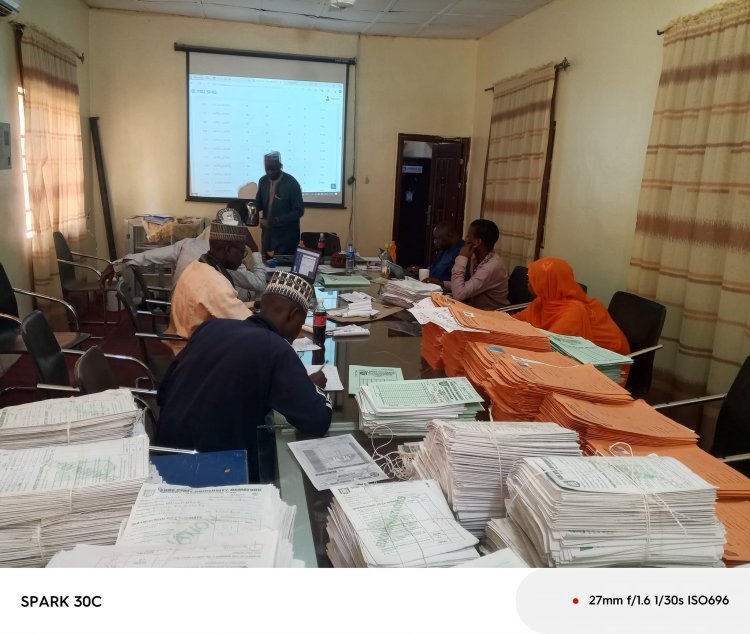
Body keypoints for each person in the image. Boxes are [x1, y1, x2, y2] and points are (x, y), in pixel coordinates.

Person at [156, 271, 332, 481]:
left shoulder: (211, 327)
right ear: (292, 315)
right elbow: (317, 421)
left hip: (162, 459)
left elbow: (163, 392)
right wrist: (315, 387)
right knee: (287, 474)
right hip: (215, 474)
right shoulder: (276, 349)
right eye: (301, 322)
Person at [99, 209, 266, 301]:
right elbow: (259, 284)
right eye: (242, 251)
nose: (243, 255)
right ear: (228, 249)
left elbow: (148, 256)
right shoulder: (226, 266)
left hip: (177, 313)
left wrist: (116, 264)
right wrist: (255, 248)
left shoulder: (187, 245)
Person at [165, 220, 254, 351]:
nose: (243, 258)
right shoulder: (214, 283)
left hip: (183, 342)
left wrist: (255, 305)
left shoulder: (197, 266)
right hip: (193, 355)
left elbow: (218, 305)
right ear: (228, 250)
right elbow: (249, 326)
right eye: (243, 252)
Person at [513, 257, 630, 355]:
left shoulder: (573, 311)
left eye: (534, 279)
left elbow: (550, 346)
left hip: (608, 364)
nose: (529, 282)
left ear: (548, 283)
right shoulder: (545, 300)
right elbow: (514, 320)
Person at [448, 218, 509, 310]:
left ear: (477, 242)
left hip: (492, 316)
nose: (465, 239)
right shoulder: (475, 258)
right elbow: (467, 286)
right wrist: (442, 283)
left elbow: (459, 294)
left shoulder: (491, 267)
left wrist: (461, 257)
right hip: (476, 309)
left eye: (468, 236)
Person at [255, 151, 304, 255]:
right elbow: (258, 203)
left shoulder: (291, 183)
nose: (270, 172)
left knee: (283, 267)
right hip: (267, 236)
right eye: (267, 169)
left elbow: (299, 211)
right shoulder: (262, 181)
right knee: (267, 264)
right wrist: (251, 210)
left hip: (286, 238)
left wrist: (278, 220)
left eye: (273, 168)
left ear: (280, 166)